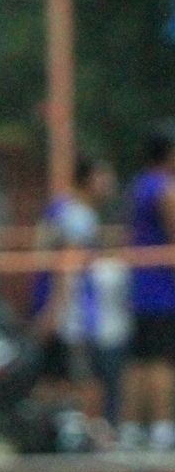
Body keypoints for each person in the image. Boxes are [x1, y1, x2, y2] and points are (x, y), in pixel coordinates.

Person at [30, 158, 125, 449]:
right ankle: (86, 435)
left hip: (60, 305)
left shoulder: (62, 208)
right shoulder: (77, 215)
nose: (108, 184)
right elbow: (67, 263)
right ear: (89, 179)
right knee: (85, 376)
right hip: (72, 311)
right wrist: (55, 310)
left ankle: (46, 431)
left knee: (53, 374)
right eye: (103, 176)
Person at [122, 128, 175, 450]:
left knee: (140, 358)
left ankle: (133, 426)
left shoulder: (139, 185)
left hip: (141, 284)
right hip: (161, 288)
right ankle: (160, 425)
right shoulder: (165, 190)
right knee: (160, 359)